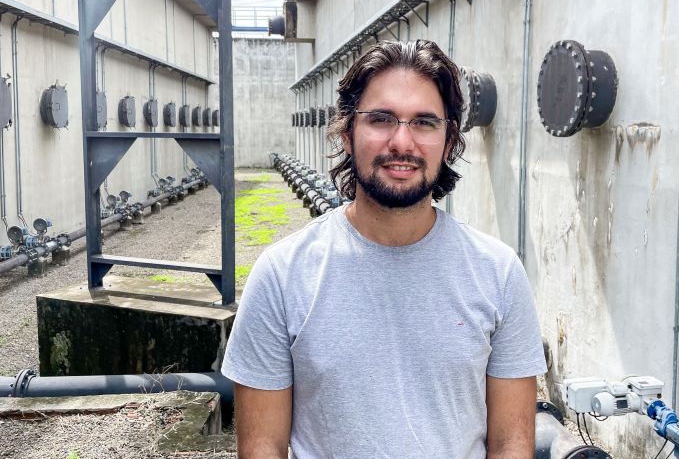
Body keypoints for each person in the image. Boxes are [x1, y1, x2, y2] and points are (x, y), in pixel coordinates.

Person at [222, 40, 546, 458]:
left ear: (449, 141)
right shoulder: (282, 275)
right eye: (381, 119)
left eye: (424, 122)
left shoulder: (498, 273)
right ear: (346, 133)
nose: (402, 142)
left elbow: (512, 445)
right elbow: (262, 447)